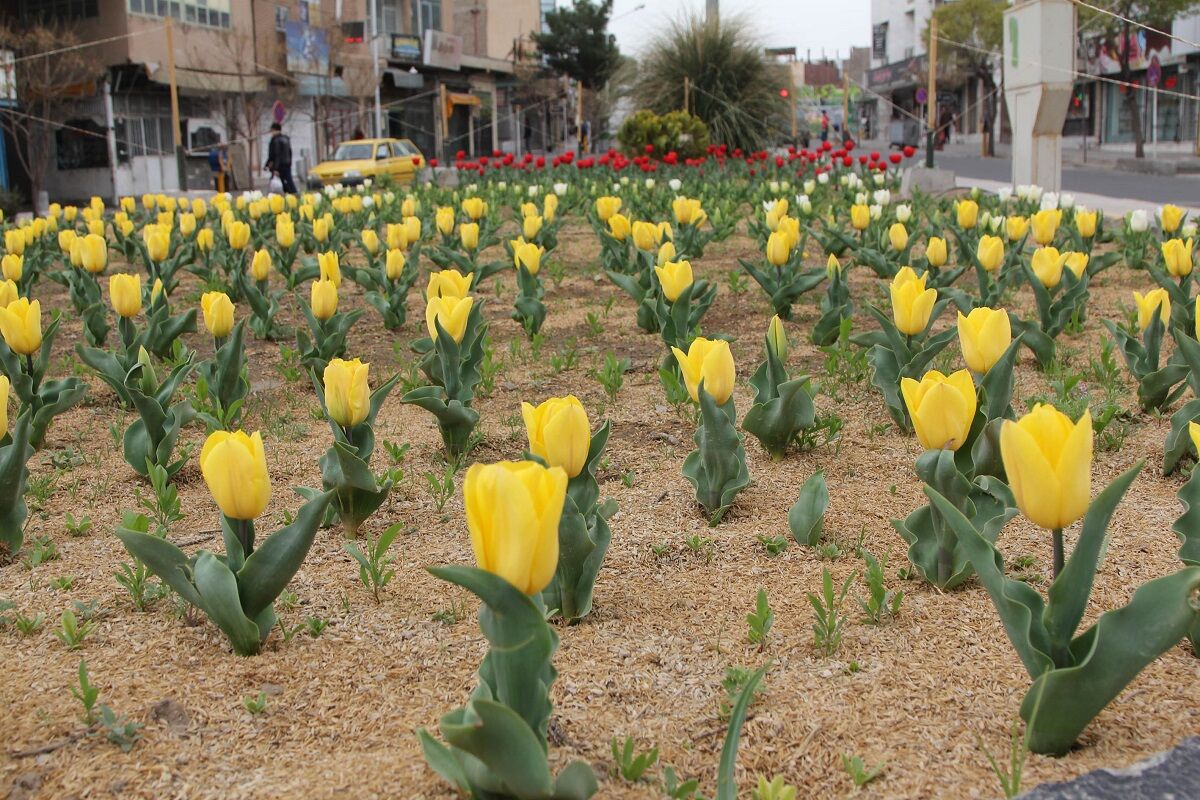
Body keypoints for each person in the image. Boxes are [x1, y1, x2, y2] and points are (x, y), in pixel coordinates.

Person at [265, 122, 297, 194]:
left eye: (272, 130)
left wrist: (275, 168)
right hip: (287, 164)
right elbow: (290, 152)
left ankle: (292, 194)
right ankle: (293, 194)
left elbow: (275, 155)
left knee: (276, 182)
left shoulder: (275, 140)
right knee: (288, 181)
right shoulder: (286, 139)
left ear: (274, 130)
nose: (271, 132)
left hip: (279, 166)